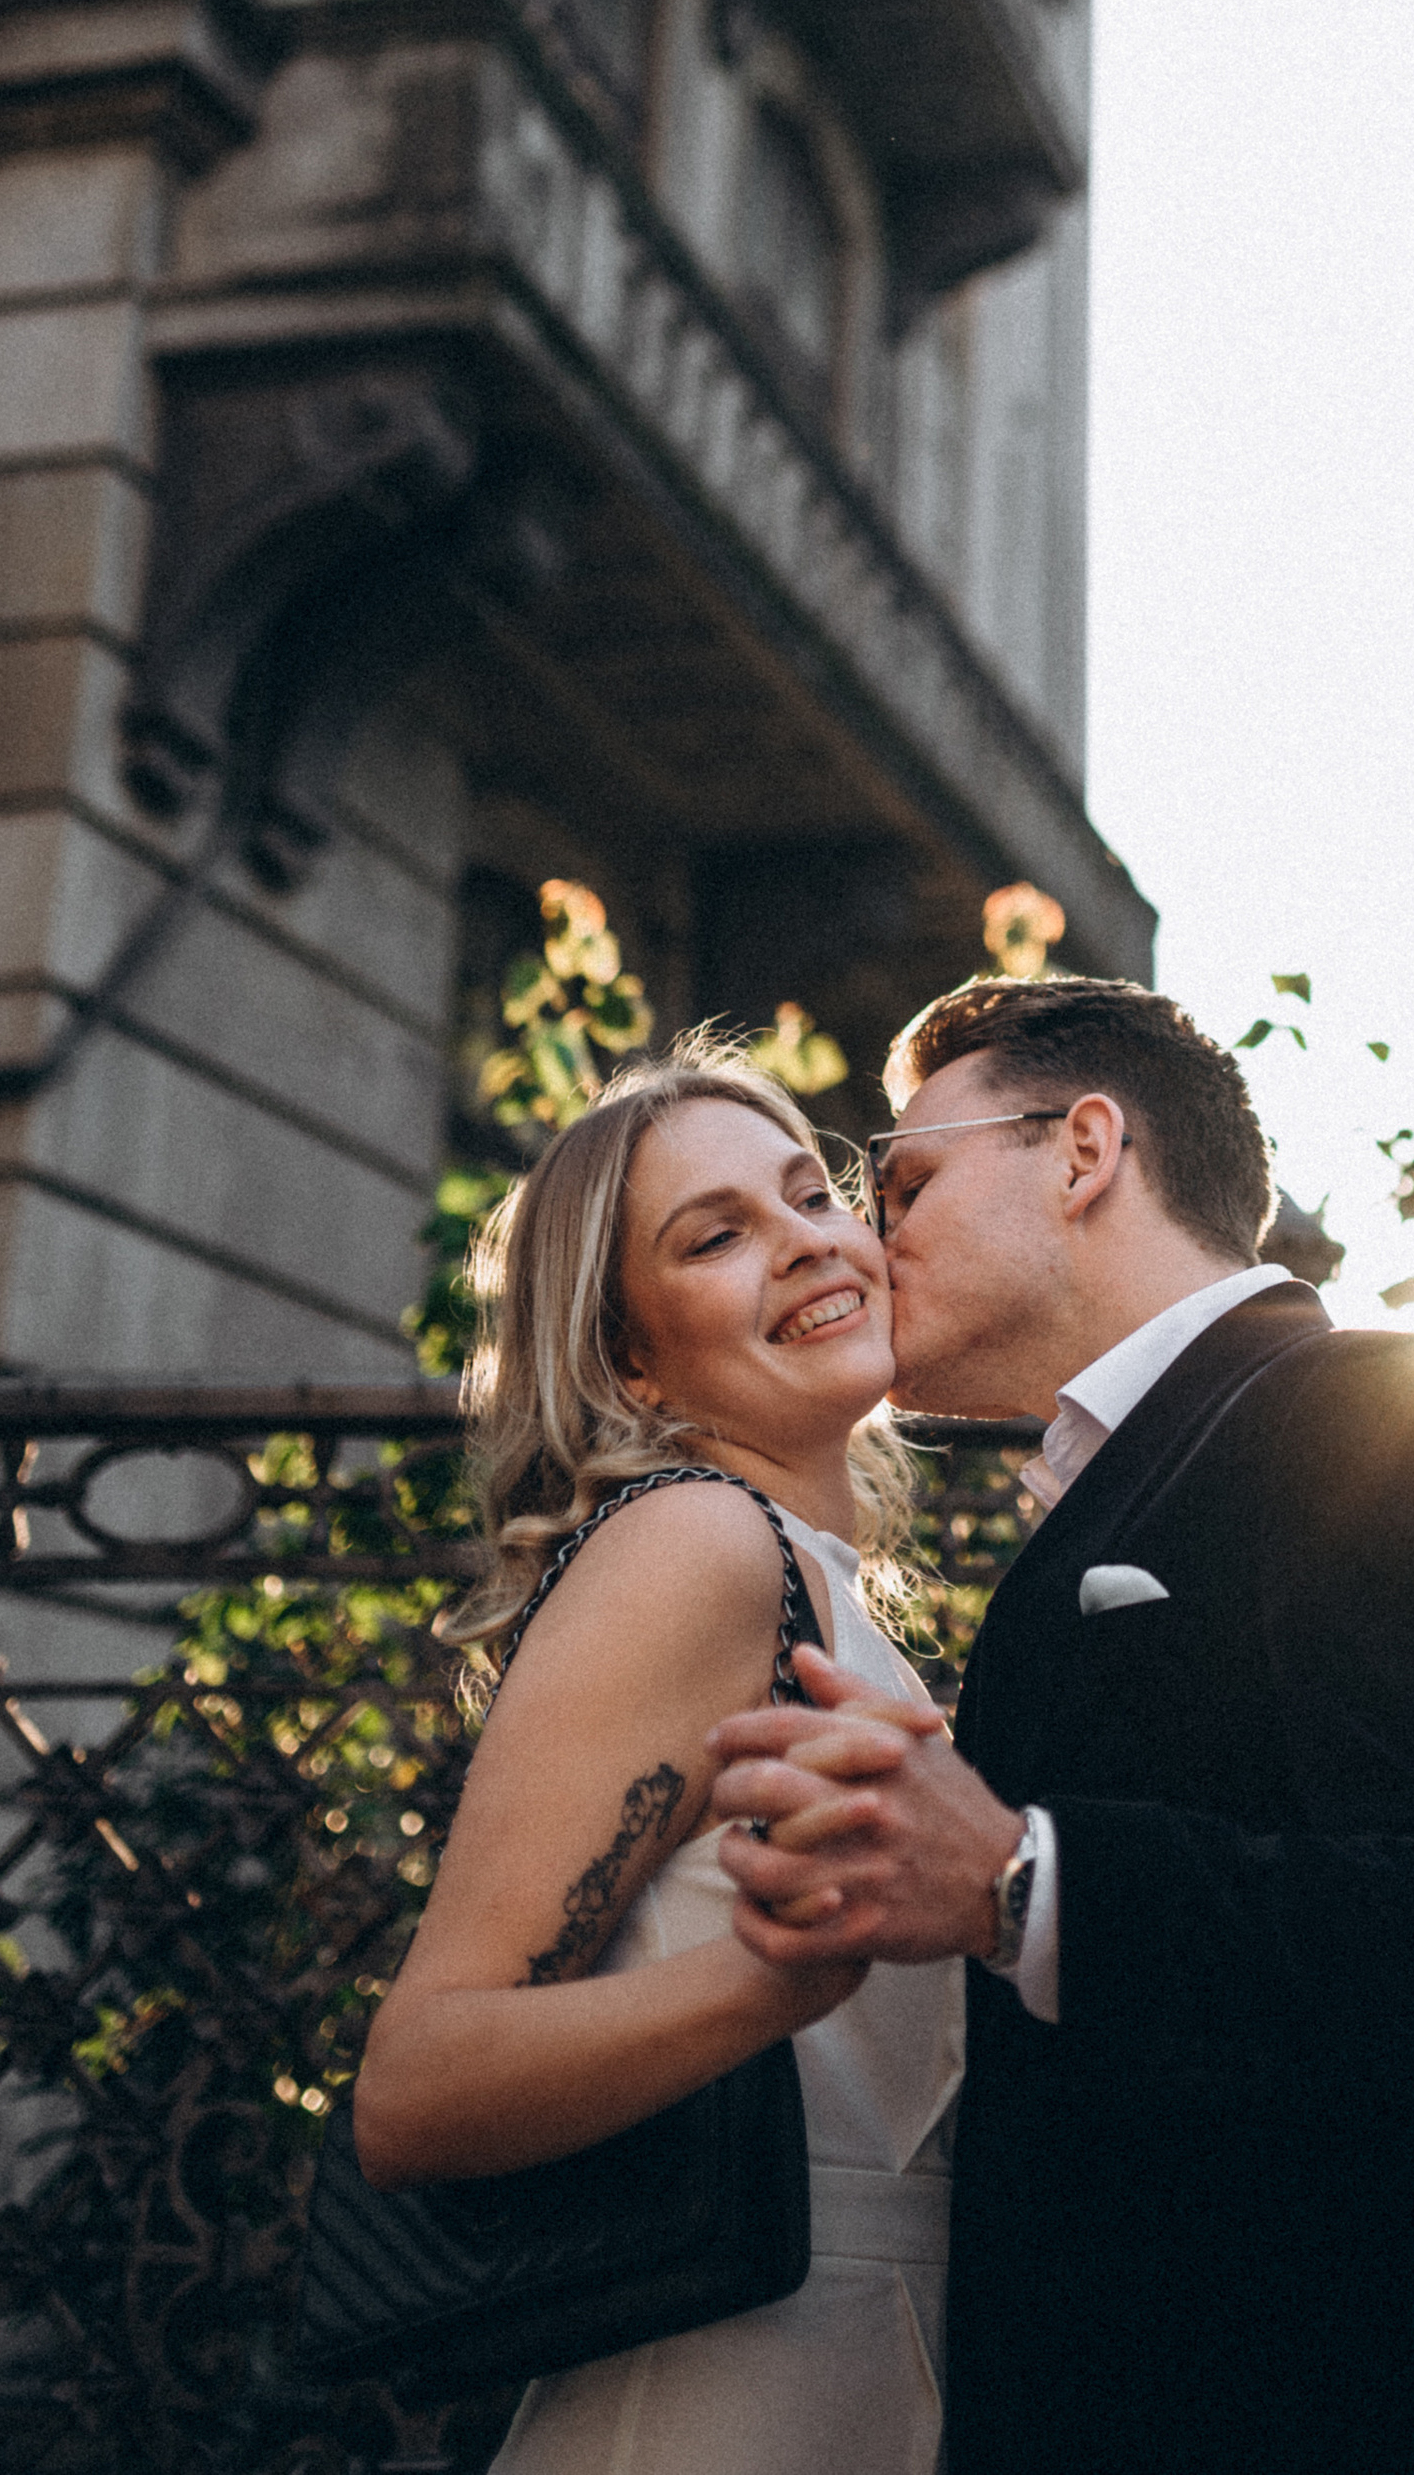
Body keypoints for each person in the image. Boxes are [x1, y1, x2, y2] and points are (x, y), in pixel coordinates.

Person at [710, 975, 1414, 2475]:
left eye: (911, 1179)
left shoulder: (1379, 1406)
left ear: (1083, 1151)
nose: (878, 1238)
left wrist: (1025, 1883)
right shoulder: (1113, 1483)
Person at [353, 1042, 961, 2475]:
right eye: (718, 1235)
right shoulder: (694, 1546)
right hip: (718, 2404)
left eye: (813, 1193)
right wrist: (767, 1984)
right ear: (631, 1353)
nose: (811, 1240)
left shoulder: (816, 1581)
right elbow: (418, 2088)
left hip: (884, 2384)